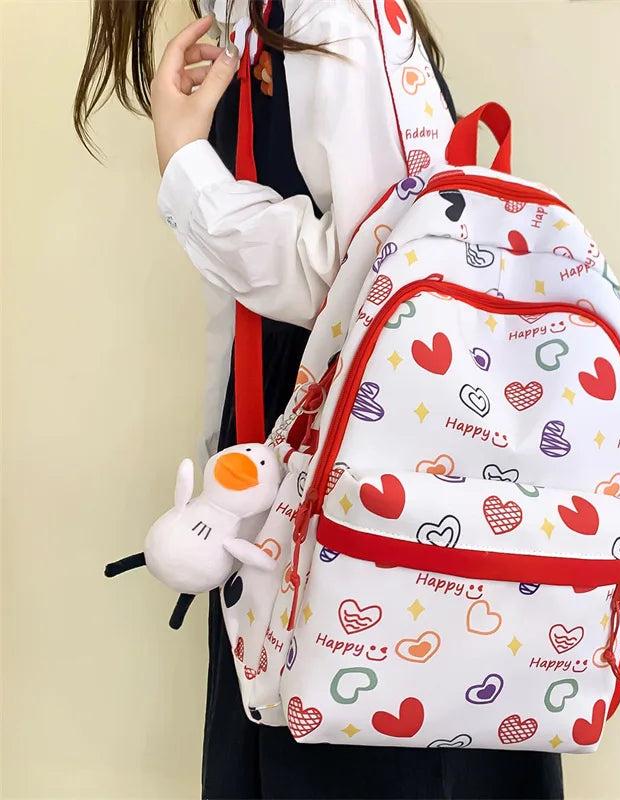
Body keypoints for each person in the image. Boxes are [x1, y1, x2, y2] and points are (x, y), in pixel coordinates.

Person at [74, 1, 564, 797]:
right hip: (308, 490)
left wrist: (187, 169)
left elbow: (387, 273)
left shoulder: (326, 13)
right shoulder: (254, 21)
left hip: (361, 501)